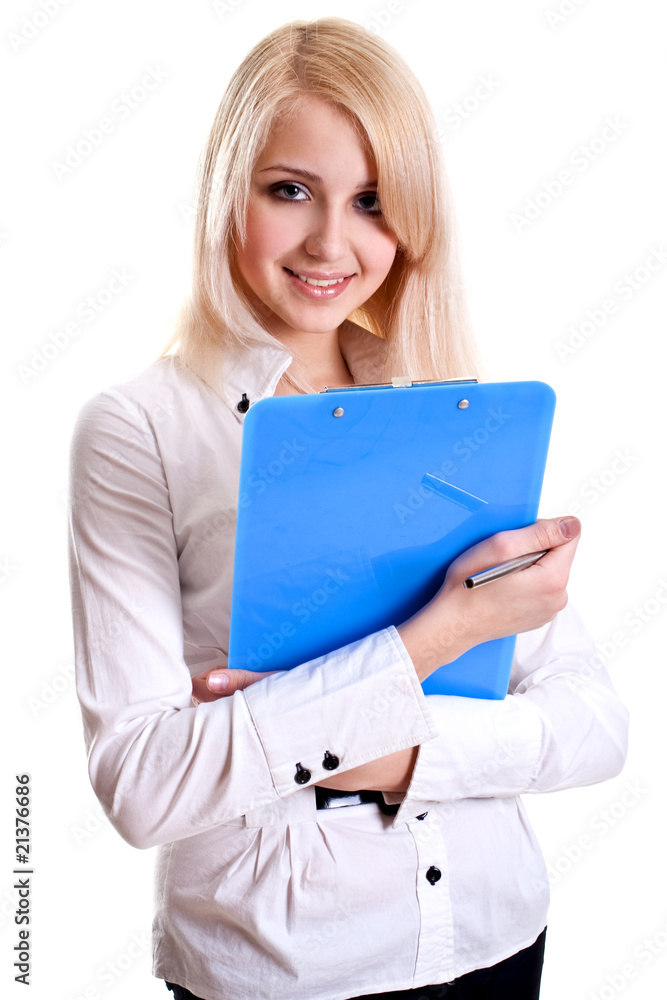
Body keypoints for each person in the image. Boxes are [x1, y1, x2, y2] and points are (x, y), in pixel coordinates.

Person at [68, 17, 628, 1000]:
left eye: (372, 201)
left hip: (496, 939)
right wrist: (446, 633)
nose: (333, 242)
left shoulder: (445, 407)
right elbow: (146, 782)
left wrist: (394, 758)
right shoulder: (141, 430)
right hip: (284, 970)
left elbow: (592, 726)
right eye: (292, 191)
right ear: (225, 192)